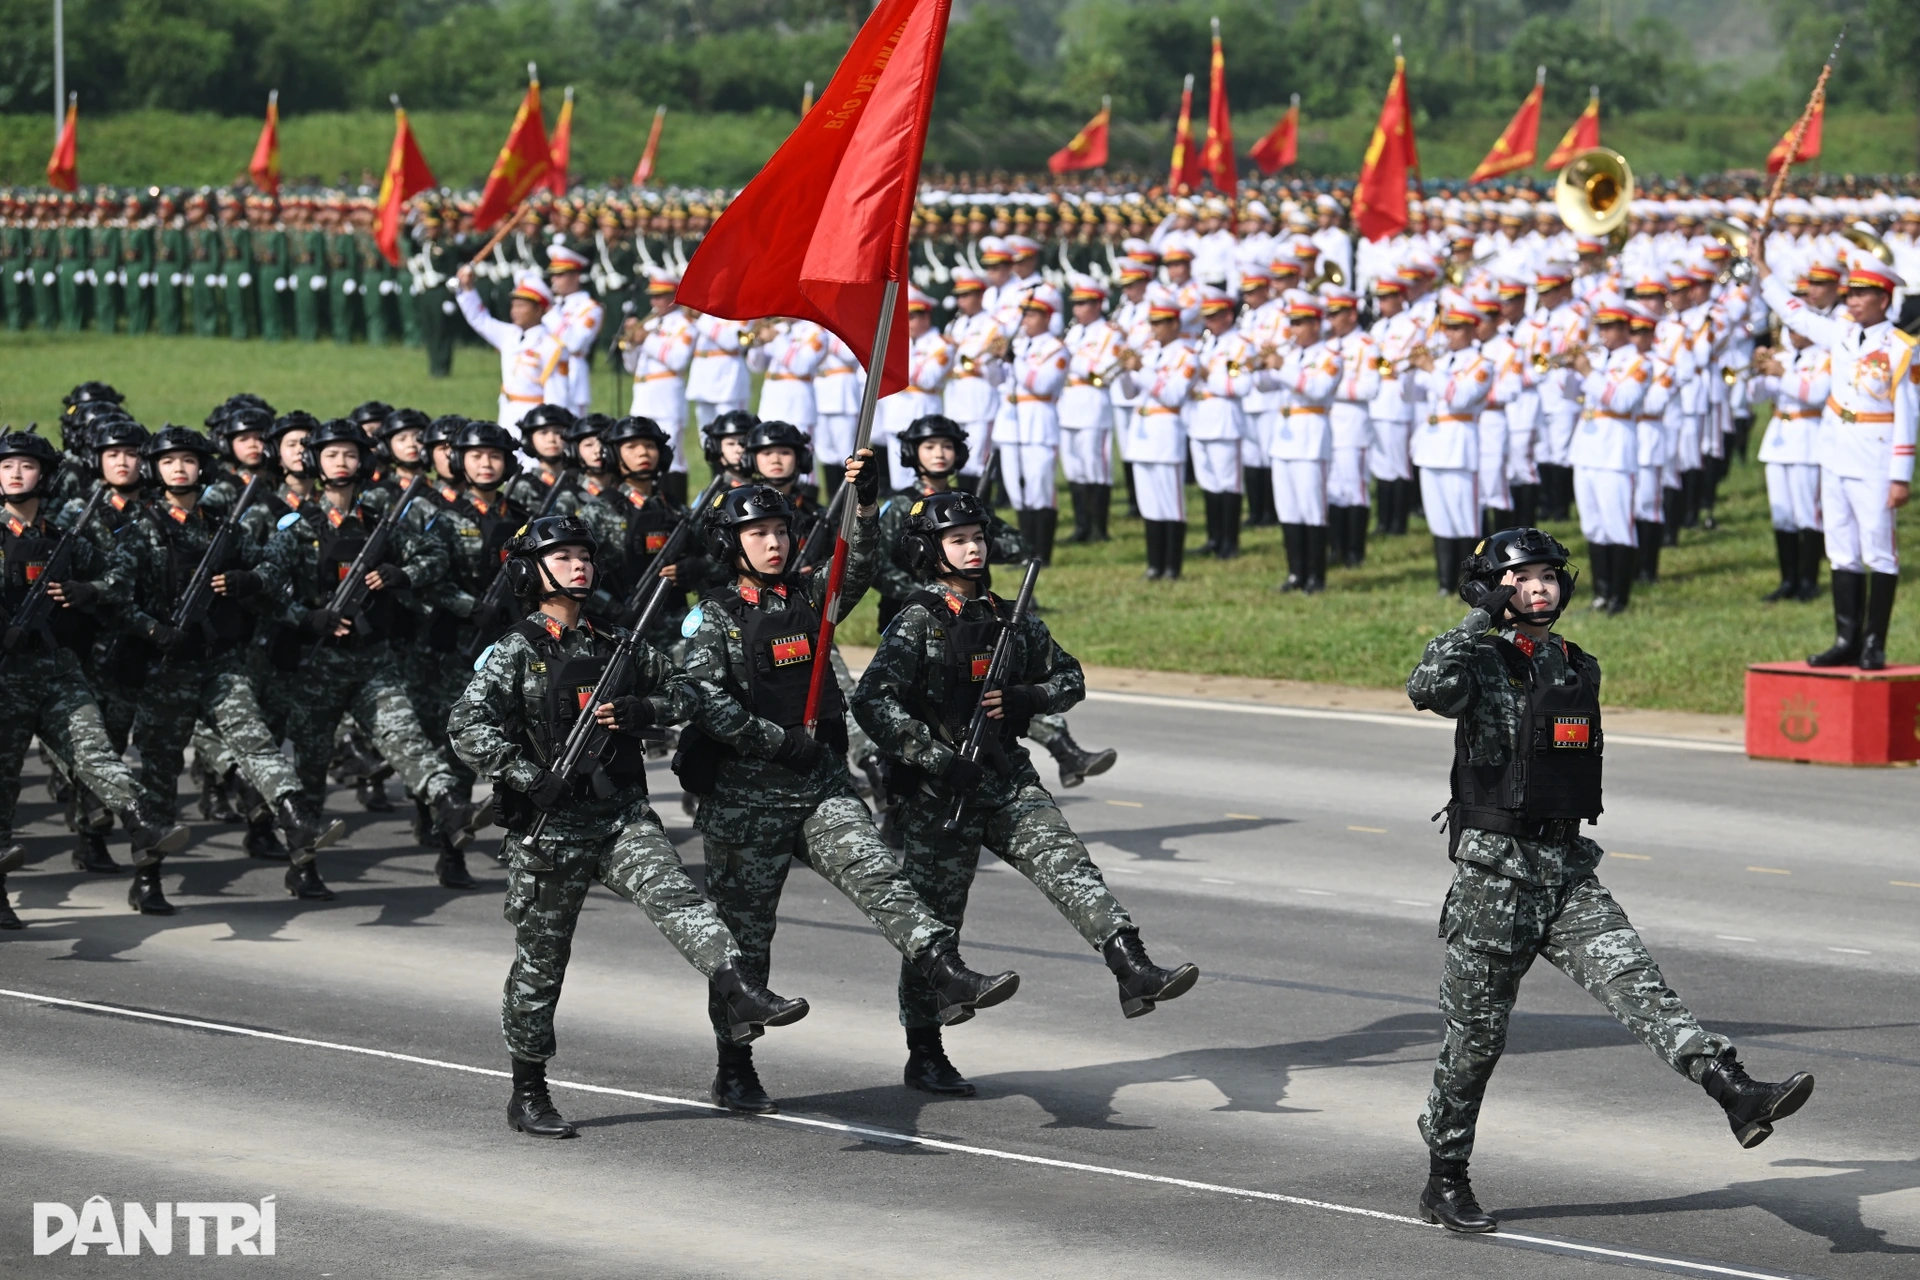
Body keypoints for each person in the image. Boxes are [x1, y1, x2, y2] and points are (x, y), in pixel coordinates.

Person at [1407, 527, 1815, 1233]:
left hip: (1566, 870)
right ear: (1491, 588)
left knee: (1641, 988)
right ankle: (1446, 1178)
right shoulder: (1478, 659)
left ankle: (1735, 1091)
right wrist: (1479, 618)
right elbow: (1426, 688)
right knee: (1474, 1043)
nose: (1538, 588)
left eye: (1547, 576)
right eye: (1519, 578)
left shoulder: (1575, 665)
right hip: (1494, 882)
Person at [450, 514, 808, 1139]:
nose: (579, 566)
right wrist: (526, 774)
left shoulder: (618, 643)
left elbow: (689, 692)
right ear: (531, 573)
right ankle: (528, 1090)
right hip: (550, 830)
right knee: (541, 965)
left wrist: (647, 707)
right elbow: (465, 726)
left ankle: (738, 987)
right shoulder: (516, 652)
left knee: (678, 898)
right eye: (562, 558)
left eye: (584, 556)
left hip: (620, 817)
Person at [675, 471, 1020, 1114]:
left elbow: (854, 566)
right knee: (747, 943)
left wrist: (863, 506)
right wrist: (777, 741)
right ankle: (735, 1066)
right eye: (758, 533)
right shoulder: (712, 617)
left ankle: (946, 973)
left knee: (882, 878)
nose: (774, 543)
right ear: (730, 544)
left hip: (819, 788)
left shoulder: (811, 596)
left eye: (781, 531)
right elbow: (704, 701)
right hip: (747, 803)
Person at [853, 489, 1196, 1095]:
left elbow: (1070, 677)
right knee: (936, 926)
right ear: (931, 551)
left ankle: (1132, 968)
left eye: (977, 538)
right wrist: (933, 757)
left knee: (1069, 866)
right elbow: (872, 701)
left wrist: (1028, 698)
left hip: (1006, 777)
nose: (973, 549)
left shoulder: (1010, 620)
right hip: (939, 794)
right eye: (958, 540)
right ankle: (925, 1049)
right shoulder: (917, 621)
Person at [104, 426, 346, 914]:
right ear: (154, 469)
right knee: (161, 774)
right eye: (169, 461)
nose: (179, 469)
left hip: (220, 664)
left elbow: (271, 571)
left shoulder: (225, 527)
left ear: (202, 468)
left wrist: (246, 579)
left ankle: (296, 815)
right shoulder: (141, 529)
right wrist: (154, 630)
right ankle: (147, 876)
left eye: (188, 460)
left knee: (255, 740)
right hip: (165, 671)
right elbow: (115, 598)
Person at [259, 418, 488, 899]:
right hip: (317, 667)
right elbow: (267, 588)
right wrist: (308, 618)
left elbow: (433, 557)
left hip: (373, 661)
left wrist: (399, 573)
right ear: (314, 462)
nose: (341, 462)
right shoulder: (298, 528)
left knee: (405, 736)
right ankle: (304, 862)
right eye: (331, 454)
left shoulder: (380, 524)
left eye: (349, 453)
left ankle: (449, 805)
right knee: (311, 769)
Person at [0, 430, 190, 929]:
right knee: (3, 781)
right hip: (5, 675)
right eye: (7, 466)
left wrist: (87, 590)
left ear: (45, 475)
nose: (15, 474)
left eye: (26, 466)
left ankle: (141, 822)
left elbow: (118, 581)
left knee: (95, 751)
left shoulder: (67, 536)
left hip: (59, 670)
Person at [875, 416, 1117, 789]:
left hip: (976, 619)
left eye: (947, 446)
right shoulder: (902, 506)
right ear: (912, 453)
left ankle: (1065, 750)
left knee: (996, 688)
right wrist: (922, 587)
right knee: (933, 704)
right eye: (930, 446)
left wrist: (972, 546)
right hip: (921, 623)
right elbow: (877, 565)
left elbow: (1018, 544)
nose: (940, 454)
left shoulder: (968, 504)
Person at [1757, 247, 1918, 669]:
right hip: (1834, 455)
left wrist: (1900, 475)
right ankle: (1846, 638)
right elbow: (1794, 312)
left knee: (1879, 551)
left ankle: (1873, 643)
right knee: (1841, 549)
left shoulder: (1902, 348)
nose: (1853, 299)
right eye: (1851, 292)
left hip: (1875, 458)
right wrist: (1763, 269)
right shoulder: (1841, 333)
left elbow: (1908, 414)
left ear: (1884, 298)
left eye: (1862, 293)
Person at [1569, 296, 1648, 614]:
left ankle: (1620, 597)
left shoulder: (1639, 363)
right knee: (1593, 525)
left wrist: (1588, 373)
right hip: (1586, 449)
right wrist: (1570, 371)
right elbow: (1569, 394)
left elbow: (1623, 401)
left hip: (1615, 451)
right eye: (1600, 326)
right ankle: (1601, 594)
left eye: (1610, 327)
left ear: (1626, 328)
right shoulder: (1595, 358)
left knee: (1617, 525)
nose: (1603, 333)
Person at [1408, 296, 1491, 595]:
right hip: (1431, 447)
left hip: (1458, 447)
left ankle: (1472, 584)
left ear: (1472, 329)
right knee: (1440, 520)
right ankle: (1445, 583)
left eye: (1457, 328)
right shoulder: (1440, 362)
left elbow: (1459, 397)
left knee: (1466, 521)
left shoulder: (1481, 364)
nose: (1450, 334)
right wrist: (1410, 368)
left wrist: (1430, 369)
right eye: (1448, 328)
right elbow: (1410, 394)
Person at [1123, 288, 1195, 581]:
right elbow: (1129, 393)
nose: (1154, 328)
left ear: (1175, 323)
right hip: (1142, 433)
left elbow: (1173, 395)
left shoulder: (1187, 355)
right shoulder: (1149, 353)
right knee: (1150, 503)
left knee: (1170, 504)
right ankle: (1154, 564)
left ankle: (1172, 566)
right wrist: (1127, 371)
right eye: (1152, 322)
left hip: (1166, 432)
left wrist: (1141, 370)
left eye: (1160, 322)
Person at [455, 266, 567, 428]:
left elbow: (557, 396)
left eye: (521, 306)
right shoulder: (509, 335)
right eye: (513, 306)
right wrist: (468, 289)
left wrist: (550, 427)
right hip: (507, 412)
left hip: (534, 418)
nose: (515, 311)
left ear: (538, 309)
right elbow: (480, 319)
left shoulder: (551, 346)